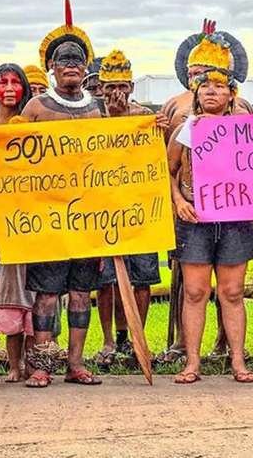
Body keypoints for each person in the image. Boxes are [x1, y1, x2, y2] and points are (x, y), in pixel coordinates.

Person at [156, 19, 253, 364]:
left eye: (219, 85)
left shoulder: (248, 130)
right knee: (195, 291)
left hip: (234, 219)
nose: (212, 90)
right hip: (194, 217)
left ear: (231, 94)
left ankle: (238, 360)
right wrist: (178, 200)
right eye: (205, 85)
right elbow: (166, 171)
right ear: (195, 93)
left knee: (232, 291)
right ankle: (193, 360)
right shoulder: (186, 129)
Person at [19, 0, 103, 388]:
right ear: (51, 68)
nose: (71, 65)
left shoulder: (98, 108)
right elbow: (11, 152)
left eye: (77, 60)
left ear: (86, 68)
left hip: (89, 220)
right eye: (63, 60)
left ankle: (76, 362)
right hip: (47, 218)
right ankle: (41, 364)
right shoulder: (36, 107)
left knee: (81, 293)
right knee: (47, 296)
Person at [94, 50, 162, 367]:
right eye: (109, 87)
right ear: (99, 88)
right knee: (105, 279)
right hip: (102, 210)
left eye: (121, 85)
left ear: (131, 86)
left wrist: (159, 129)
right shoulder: (91, 118)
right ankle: (110, 339)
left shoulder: (145, 117)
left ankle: (137, 338)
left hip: (140, 209)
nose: (115, 93)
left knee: (143, 276)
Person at [0, 64, 37, 383]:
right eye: (2, 81)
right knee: (5, 292)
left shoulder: (35, 120)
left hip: (34, 219)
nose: (9, 87)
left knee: (35, 294)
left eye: (16, 82)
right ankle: (12, 363)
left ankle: (35, 362)